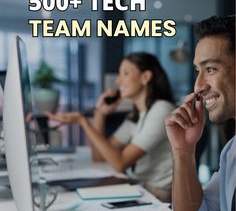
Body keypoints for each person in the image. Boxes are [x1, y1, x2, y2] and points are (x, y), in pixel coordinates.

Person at [102, 15, 235, 211]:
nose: (199, 86)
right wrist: (183, 151)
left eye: (210, 69)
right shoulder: (232, 152)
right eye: (198, 71)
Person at [46, 52, 175, 202]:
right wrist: (100, 114)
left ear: (145, 77)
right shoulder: (137, 115)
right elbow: (100, 157)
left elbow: (119, 163)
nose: (119, 80)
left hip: (158, 193)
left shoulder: (162, 110)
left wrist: (83, 121)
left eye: (125, 74)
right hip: (140, 186)